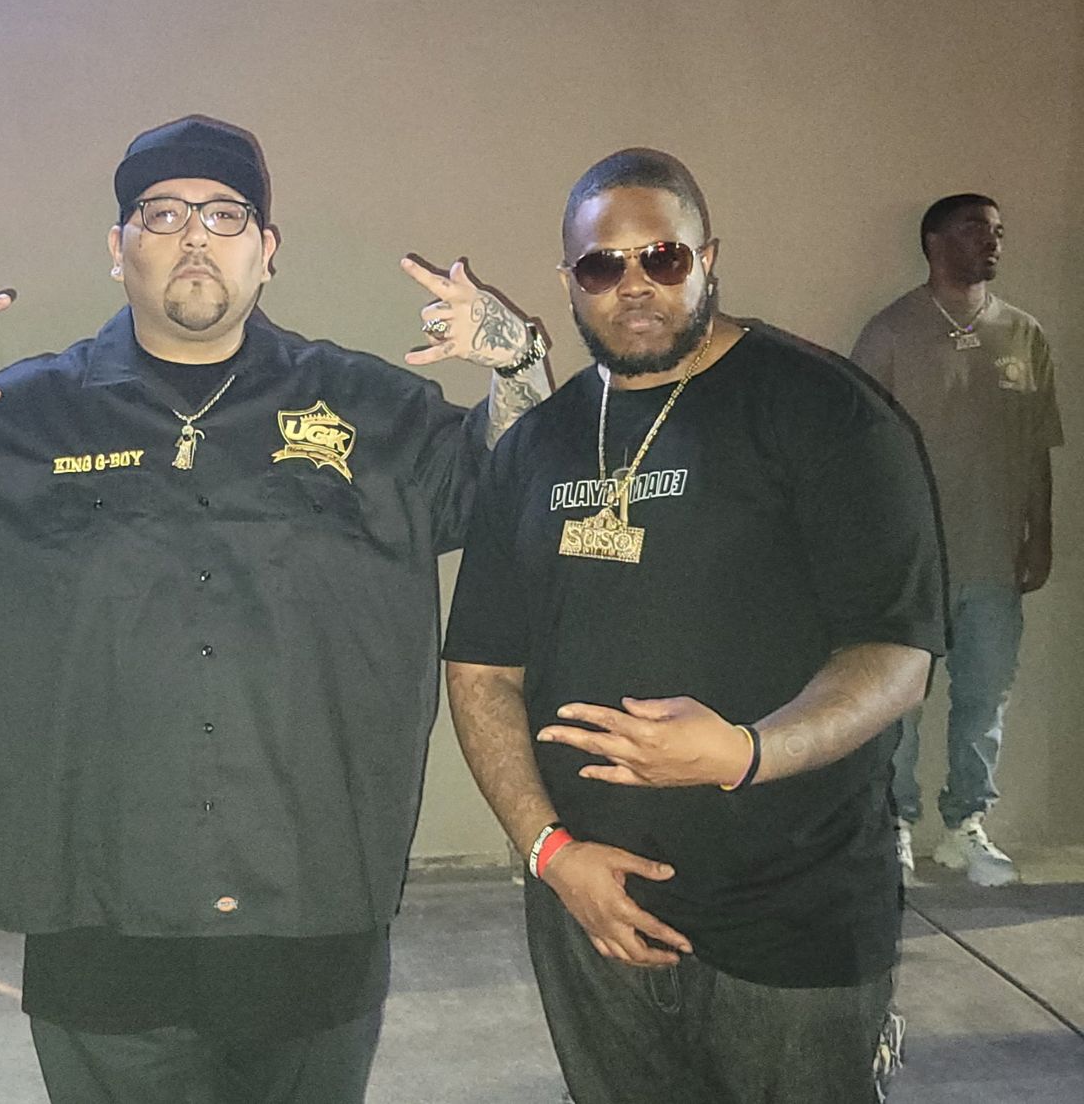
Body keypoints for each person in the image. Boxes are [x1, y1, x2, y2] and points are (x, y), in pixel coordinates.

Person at [0, 114, 546, 1103]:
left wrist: (518, 366)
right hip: (98, 914)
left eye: (224, 216)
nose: (192, 237)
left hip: (312, 906)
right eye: (161, 214)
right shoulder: (20, 419)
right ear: (117, 248)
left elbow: (513, 495)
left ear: (266, 250)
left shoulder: (370, 409)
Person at [442, 149, 944, 1104]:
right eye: (603, 265)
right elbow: (481, 673)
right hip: (591, 913)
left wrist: (745, 753)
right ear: (569, 280)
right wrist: (552, 855)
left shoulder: (824, 412)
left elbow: (895, 654)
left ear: (707, 258)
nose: (634, 284)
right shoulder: (535, 447)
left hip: (793, 918)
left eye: (662, 256)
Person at [851, 193, 1062, 888]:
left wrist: (1040, 533)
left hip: (994, 555)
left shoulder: (1023, 334)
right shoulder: (891, 331)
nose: (993, 242)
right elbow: (857, 449)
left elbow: (1038, 447)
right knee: (900, 702)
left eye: (998, 231)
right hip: (911, 561)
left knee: (985, 698)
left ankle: (965, 826)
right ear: (935, 241)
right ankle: (894, 825)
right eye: (976, 229)